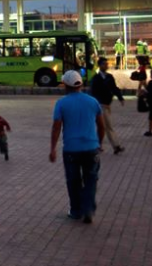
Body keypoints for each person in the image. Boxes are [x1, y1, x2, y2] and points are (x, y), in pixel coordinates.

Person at [49, 70, 105, 224]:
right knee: (91, 180)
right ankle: (88, 209)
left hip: (71, 149)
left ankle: (76, 211)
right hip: (91, 148)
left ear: (66, 85)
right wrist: (99, 143)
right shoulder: (93, 101)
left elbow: (56, 127)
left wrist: (52, 149)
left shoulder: (61, 103)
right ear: (80, 84)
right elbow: (101, 126)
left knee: (73, 181)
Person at [89, 57, 125, 155]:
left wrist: (120, 97)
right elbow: (93, 92)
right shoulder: (96, 79)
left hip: (107, 105)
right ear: (99, 66)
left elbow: (114, 88)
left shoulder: (109, 77)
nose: (106, 66)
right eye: (104, 64)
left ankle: (97, 145)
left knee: (102, 126)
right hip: (101, 105)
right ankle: (116, 146)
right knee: (108, 126)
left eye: (106, 64)